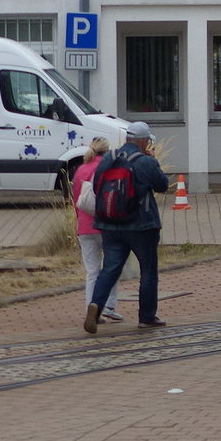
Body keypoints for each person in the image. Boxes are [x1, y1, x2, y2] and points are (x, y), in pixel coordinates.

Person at [83, 121, 169, 334]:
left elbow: (97, 187)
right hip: (142, 225)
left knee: (109, 269)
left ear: (127, 138)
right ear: (143, 141)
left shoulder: (108, 158)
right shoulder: (145, 162)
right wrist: (153, 161)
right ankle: (146, 317)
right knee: (148, 271)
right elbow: (163, 185)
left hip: (109, 224)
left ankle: (96, 305)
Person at [71, 137, 123, 322]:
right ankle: (109, 305)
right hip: (105, 224)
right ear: (107, 151)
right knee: (111, 267)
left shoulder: (81, 169)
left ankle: (90, 309)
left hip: (84, 225)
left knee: (92, 271)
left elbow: (76, 198)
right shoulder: (107, 167)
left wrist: (78, 220)